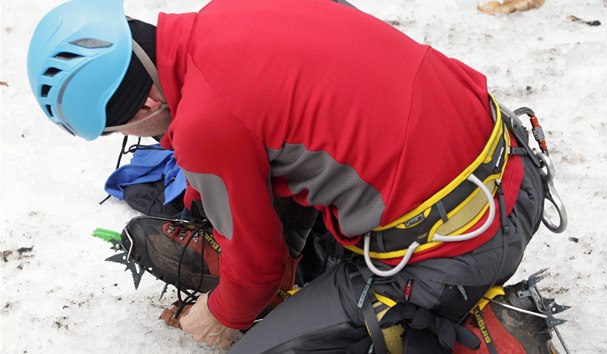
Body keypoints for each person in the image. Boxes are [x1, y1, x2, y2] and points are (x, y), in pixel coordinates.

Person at [28, 0, 566, 352]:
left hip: (462, 243)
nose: (141, 137)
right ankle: (267, 266)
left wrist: (224, 314)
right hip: (509, 167)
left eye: (122, 128)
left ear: (147, 101)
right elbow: (282, 121)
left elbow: (257, 265)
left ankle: (483, 337)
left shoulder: (206, 122)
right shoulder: (228, 15)